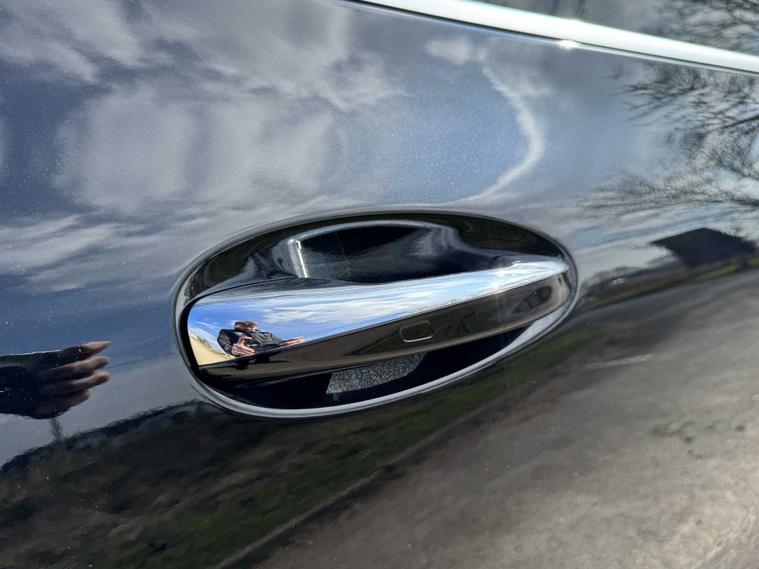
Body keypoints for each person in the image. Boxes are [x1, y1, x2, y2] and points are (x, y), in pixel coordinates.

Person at [217, 321, 303, 357]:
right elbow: (225, 344)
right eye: (245, 328)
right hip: (248, 360)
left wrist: (293, 344)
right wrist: (233, 350)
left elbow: (281, 342)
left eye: (252, 328)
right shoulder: (227, 332)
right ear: (236, 325)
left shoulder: (267, 334)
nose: (249, 329)